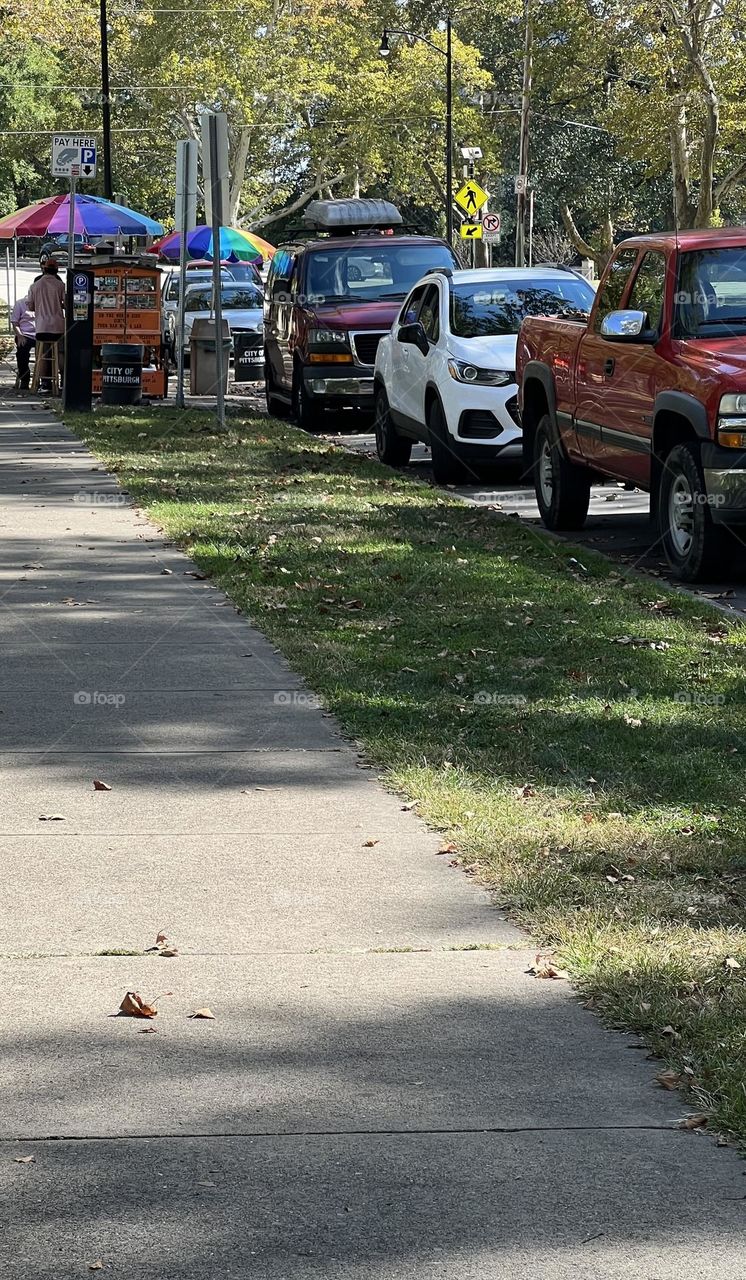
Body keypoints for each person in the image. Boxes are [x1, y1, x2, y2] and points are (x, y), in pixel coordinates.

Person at [26, 259, 65, 392]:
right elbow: (66, 304)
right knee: (60, 352)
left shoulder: (35, 286)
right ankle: (63, 380)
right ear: (56, 269)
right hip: (58, 325)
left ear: (44, 269)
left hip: (42, 326)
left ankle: (45, 383)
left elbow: (30, 306)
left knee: (42, 354)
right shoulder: (60, 285)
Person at [10, 294, 35, 391]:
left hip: (41, 334)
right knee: (22, 353)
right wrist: (20, 336)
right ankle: (25, 379)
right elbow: (15, 322)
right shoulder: (20, 303)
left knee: (47, 353)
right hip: (24, 334)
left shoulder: (43, 303)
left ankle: (45, 381)